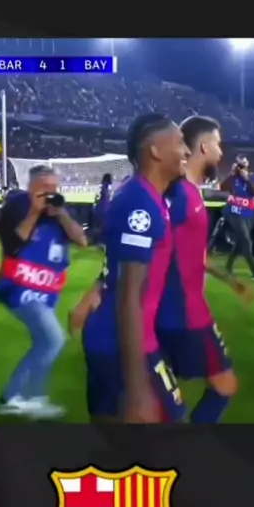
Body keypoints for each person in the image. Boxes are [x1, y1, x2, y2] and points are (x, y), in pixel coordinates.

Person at [80, 114, 188, 423]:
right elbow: (129, 296)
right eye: (180, 142)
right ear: (155, 150)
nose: (186, 151)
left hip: (121, 338)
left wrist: (95, 289)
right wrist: (137, 388)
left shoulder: (147, 196)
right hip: (119, 342)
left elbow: (117, 267)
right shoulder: (140, 203)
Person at [156, 115, 253, 424]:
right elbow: (153, 250)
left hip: (179, 311)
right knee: (224, 386)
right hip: (185, 314)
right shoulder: (180, 195)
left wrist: (229, 279)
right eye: (218, 144)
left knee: (165, 395)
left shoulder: (189, 192)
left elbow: (191, 254)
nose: (221, 152)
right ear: (202, 147)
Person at [0, 165, 87, 418]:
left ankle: (21, 396)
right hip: (18, 289)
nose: (50, 192)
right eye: (44, 187)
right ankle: (24, 396)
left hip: (44, 293)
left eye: (53, 187)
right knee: (54, 339)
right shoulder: (17, 207)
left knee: (44, 343)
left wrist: (62, 214)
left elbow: (82, 240)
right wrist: (35, 211)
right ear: (31, 187)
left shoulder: (57, 213)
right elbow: (14, 245)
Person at [220, 156, 254, 281]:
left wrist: (246, 179)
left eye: (243, 165)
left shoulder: (251, 178)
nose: (241, 168)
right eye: (239, 165)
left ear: (247, 166)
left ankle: (228, 267)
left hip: (247, 214)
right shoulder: (233, 178)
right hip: (233, 212)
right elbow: (222, 187)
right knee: (246, 241)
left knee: (241, 242)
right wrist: (231, 174)